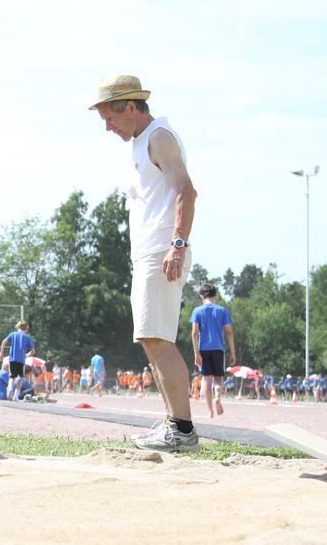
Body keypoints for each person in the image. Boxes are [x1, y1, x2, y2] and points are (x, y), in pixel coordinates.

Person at [90, 74, 197, 451]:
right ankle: (173, 423)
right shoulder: (141, 142)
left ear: (131, 106)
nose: (108, 127)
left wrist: (177, 246)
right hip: (149, 251)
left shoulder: (158, 137)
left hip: (162, 249)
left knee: (158, 339)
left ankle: (182, 429)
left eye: (110, 117)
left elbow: (186, 190)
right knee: (151, 340)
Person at [190, 283, 236, 418]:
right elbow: (229, 333)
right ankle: (217, 396)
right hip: (218, 349)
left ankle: (210, 412)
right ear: (215, 296)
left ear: (201, 297)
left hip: (203, 349)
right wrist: (233, 352)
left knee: (206, 379)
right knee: (218, 378)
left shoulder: (197, 311)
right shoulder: (222, 311)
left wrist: (196, 353)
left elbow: (194, 333)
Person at [0, 320, 35, 401]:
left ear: (18, 327)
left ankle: (10, 389)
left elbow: (4, 342)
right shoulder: (27, 337)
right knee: (21, 378)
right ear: (26, 328)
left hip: (12, 359)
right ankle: (15, 395)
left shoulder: (13, 334)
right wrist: (26, 355)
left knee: (12, 376)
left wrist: (1, 354)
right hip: (21, 360)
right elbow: (33, 351)